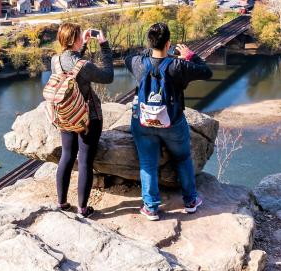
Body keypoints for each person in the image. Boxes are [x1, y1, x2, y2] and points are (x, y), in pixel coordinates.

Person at [126, 22, 212, 220]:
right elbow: (206, 72)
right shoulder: (178, 65)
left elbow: (127, 57)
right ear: (169, 44)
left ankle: (151, 208)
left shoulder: (138, 63)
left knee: (147, 163)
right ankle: (190, 200)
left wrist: (147, 52)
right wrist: (190, 56)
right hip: (172, 122)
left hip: (144, 122)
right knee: (182, 158)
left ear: (150, 43)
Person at [50, 21, 113, 218]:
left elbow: (73, 68)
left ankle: (62, 203)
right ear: (75, 39)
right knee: (85, 161)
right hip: (87, 118)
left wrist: (82, 46)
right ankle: (83, 209)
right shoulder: (84, 65)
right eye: (79, 36)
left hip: (66, 115)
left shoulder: (55, 60)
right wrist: (104, 45)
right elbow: (108, 76)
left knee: (67, 156)